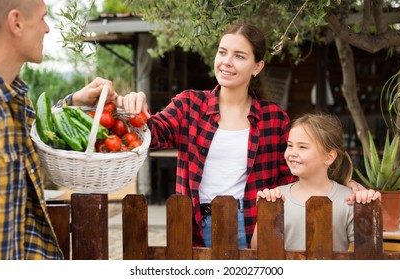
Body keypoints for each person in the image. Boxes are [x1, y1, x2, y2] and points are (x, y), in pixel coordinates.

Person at [119, 23, 375, 248]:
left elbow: (296, 173)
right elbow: (151, 134)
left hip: (252, 223)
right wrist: (131, 111)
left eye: (239, 56)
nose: (226, 61)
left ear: (257, 66)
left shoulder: (273, 118)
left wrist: (344, 186)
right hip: (193, 222)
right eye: (222, 52)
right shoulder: (189, 105)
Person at [0, 0, 117, 259]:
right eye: (42, 19)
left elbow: (41, 132)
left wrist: (74, 102)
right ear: (16, 23)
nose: (47, 29)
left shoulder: (14, 97)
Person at [251, 113, 381, 251]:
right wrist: (265, 211)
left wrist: (370, 208)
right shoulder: (276, 197)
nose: (293, 152)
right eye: (290, 145)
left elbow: (368, 255)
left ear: (329, 157)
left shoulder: (349, 200)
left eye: (302, 147)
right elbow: (256, 249)